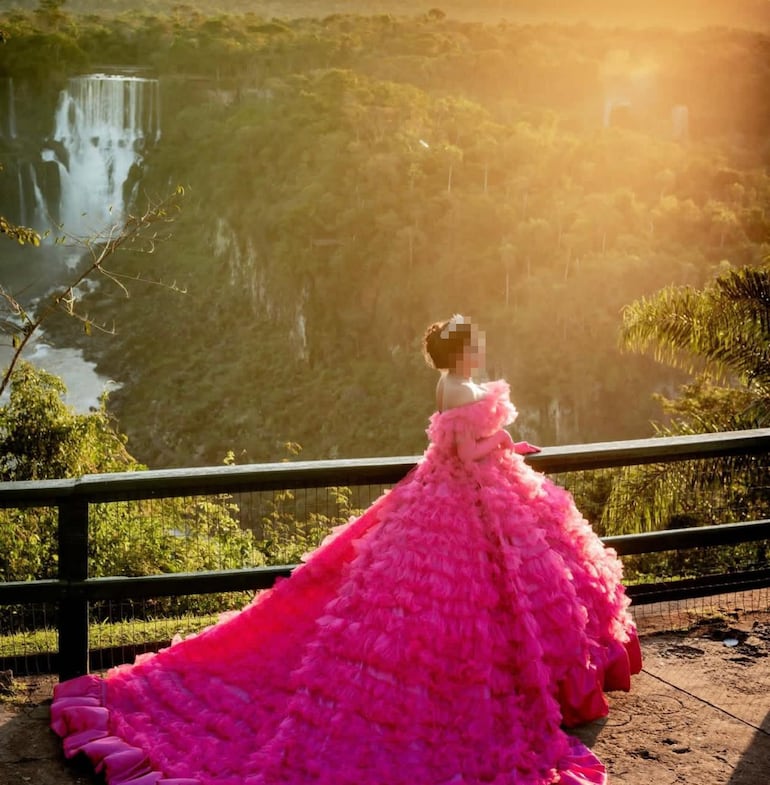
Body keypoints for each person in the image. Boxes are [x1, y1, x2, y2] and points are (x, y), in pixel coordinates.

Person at [51, 314, 641, 785]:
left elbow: (453, 443)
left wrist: (495, 440)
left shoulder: (448, 383)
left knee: (426, 599)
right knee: (478, 599)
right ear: (463, 352)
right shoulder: (463, 387)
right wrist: (505, 439)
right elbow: (467, 453)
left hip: (446, 495)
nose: (482, 350)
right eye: (476, 344)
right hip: (468, 500)